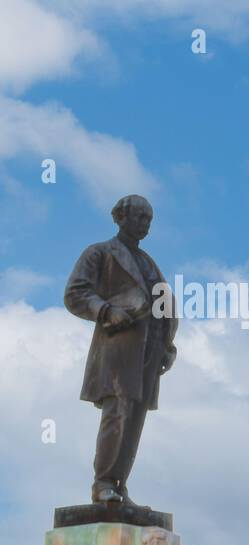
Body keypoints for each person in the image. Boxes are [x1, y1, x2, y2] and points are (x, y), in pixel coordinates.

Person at [64, 195, 178, 506]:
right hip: (118, 350)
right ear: (121, 217)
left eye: (149, 220)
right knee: (116, 415)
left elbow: (165, 305)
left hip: (149, 354)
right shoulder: (100, 253)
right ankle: (103, 483)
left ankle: (120, 485)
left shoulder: (149, 263)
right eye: (140, 217)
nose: (145, 225)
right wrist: (105, 310)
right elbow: (75, 293)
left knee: (135, 419)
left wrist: (167, 346)